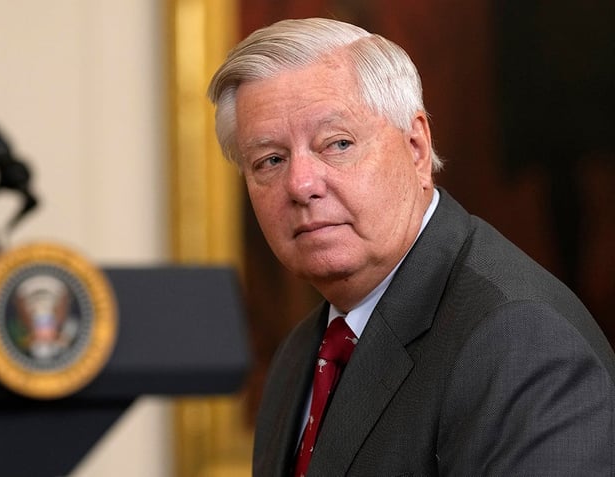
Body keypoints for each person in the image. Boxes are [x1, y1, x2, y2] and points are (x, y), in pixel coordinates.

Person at [207, 17, 615, 476]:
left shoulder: (523, 341)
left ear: (417, 147)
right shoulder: (302, 353)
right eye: (271, 160)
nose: (301, 184)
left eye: (338, 144)